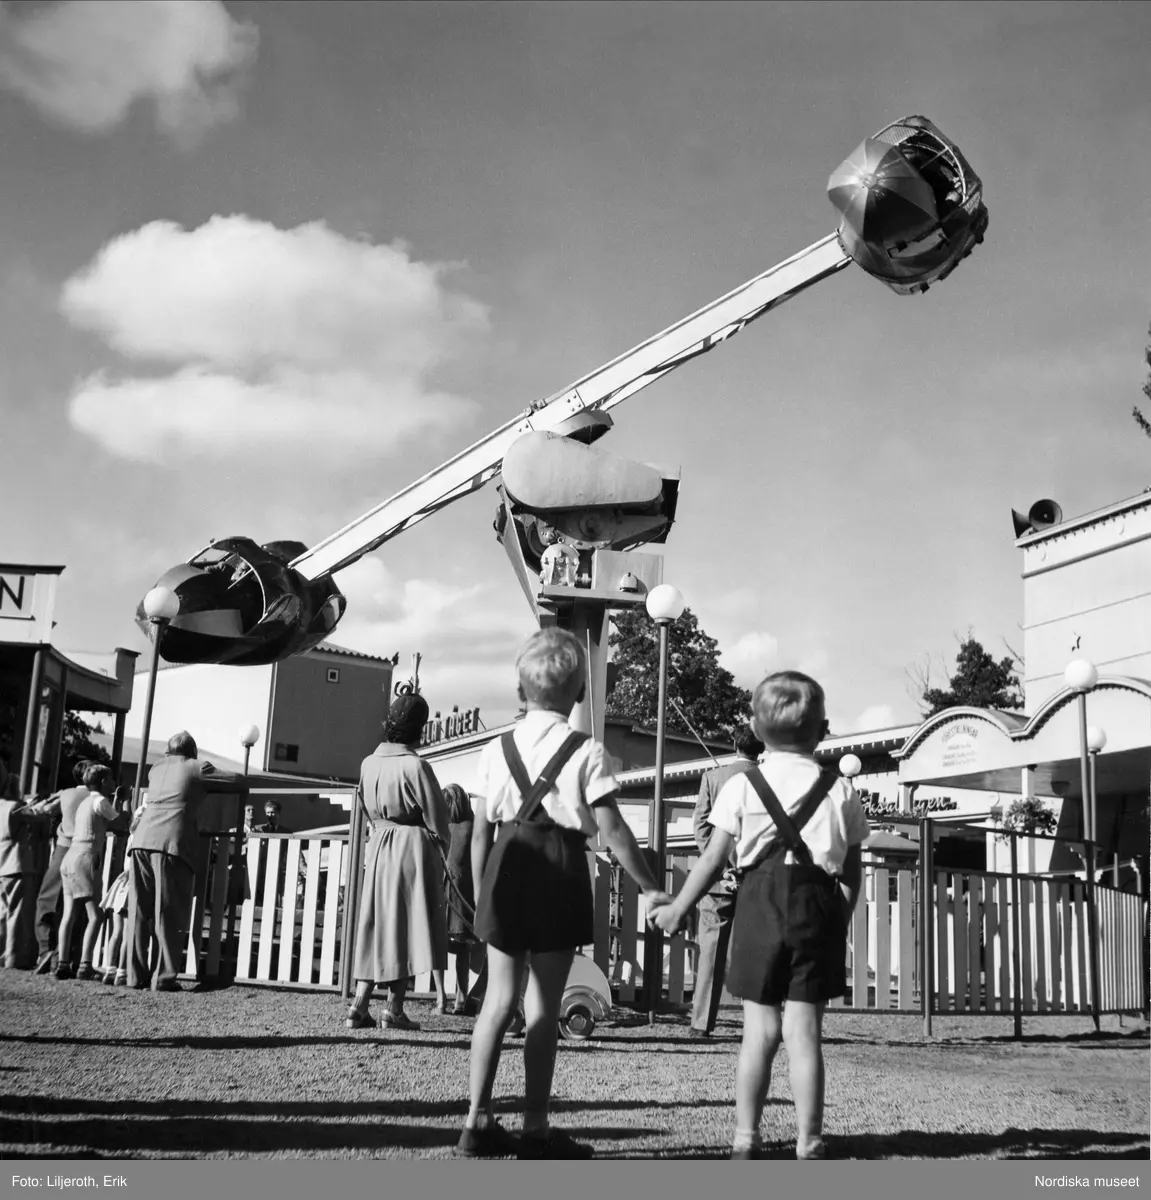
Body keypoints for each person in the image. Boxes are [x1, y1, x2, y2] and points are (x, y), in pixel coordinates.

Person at [457, 628, 671, 1161]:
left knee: (497, 1000)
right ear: (580, 693)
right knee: (543, 1005)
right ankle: (535, 1128)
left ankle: (476, 1122)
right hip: (559, 868)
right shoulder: (587, 751)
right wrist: (651, 887)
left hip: (507, 865)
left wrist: (485, 891)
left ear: (520, 690)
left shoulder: (494, 748)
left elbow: (481, 831)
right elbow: (614, 830)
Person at [653, 671, 868, 1161]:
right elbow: (852, 872)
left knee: (760, 1031)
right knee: (804, 1032)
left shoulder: (743, 786)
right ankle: (809, 1140)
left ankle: (746, 1139)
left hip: (758, 906)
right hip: (817, 907)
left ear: (756, 728)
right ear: (825, 728)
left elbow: (710, 859)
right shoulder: (840, 791)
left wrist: (679, 906)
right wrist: (839, 917)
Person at [345, 695, 450, 1032]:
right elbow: (439, 820)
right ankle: (394, 1009)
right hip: (410, 847)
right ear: (420, 728)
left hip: (378, 845)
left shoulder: (368, 763)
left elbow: (363, 805)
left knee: (376, 924)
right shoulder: (415, 766)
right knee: (403, 926)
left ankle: (359, 1005)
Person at [128, 731, 233, 991]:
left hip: (141, 841)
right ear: (192, 752)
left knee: (139, 912)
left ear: (167, 752)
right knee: (170, 912)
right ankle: (163, 978)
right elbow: (237, 780)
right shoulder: (198, 767)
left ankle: (134, 976)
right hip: (171, 843)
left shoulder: (156, 768)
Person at [690, 725, 765, 1037]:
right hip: (759, 878)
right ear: (761, 748)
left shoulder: (713, 777)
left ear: (734, 742)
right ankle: (758, 1024)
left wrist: (721, 866)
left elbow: (701, 827)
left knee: (710, 950)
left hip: (720, 880)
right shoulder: (771, 780)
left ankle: (701, 1023)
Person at [57, 765, 124, 980]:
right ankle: (85, 964)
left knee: (69, 914)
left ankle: (63, 962)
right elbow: (121, 823)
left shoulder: (85, 802)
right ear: (103, 781)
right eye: (111, 778)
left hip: (69, 856)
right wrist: (124, 801)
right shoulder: (99, 801)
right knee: (95, 915)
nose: (113, 782)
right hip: (86, 856)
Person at [29, 761, 90, 973]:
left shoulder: (66, 794)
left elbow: (44, 810)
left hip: (64, 848)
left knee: (47, 898)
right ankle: (67, 955)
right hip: (86, 852)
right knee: (78, 905)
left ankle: (44, 949)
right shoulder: (98, 797)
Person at [442, 783, 480, 1015]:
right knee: (463, 948)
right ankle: (461, 998)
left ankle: (439, 999)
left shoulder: (443, 827)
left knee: (438, 945)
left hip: (443, 887)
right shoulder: (472, 827)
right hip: (464, 891)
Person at [0, 761, 39, 969]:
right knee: (16, 912)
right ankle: (13, 957)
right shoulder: (15, 807)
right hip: (16, 863)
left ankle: (1, 953)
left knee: (1, 912)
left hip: (0, 862)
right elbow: (38, 816)